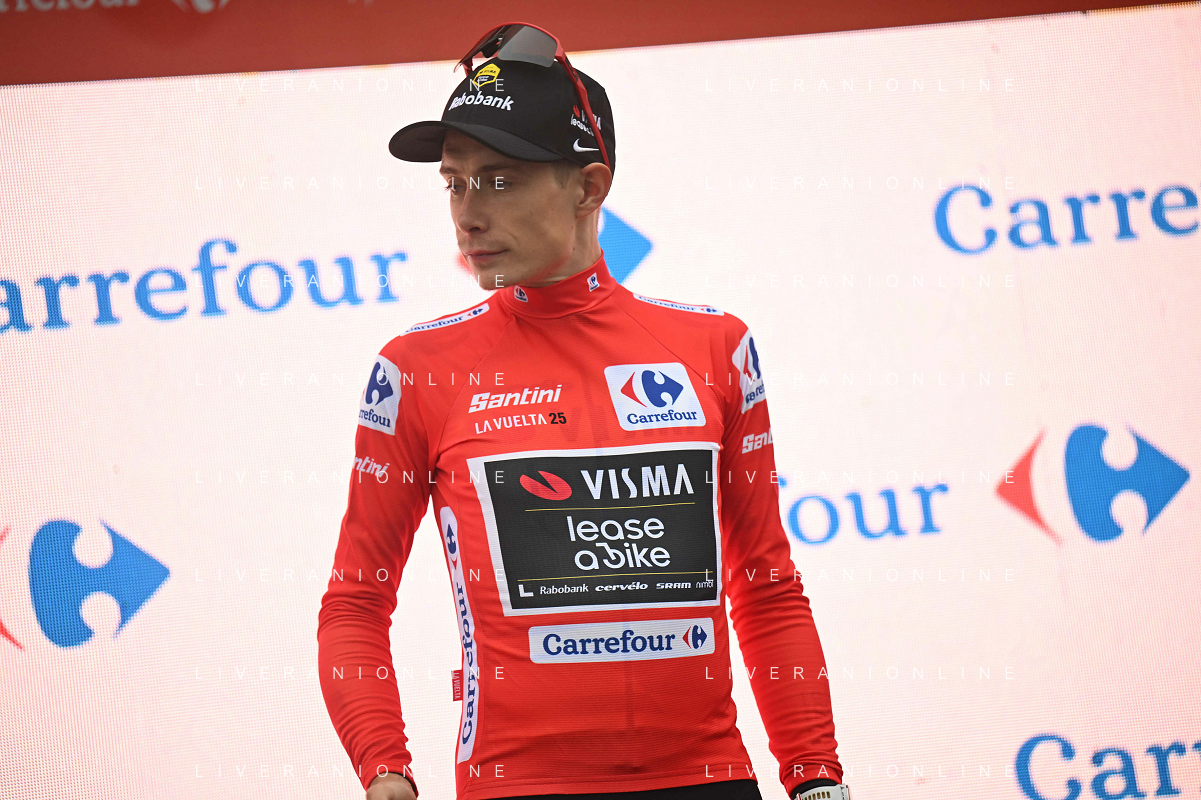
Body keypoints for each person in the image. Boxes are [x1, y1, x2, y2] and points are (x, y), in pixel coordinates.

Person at [317, 22, 851, 800]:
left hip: (707, 778)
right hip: (516, 786)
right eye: (454, 183)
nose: (468, 215)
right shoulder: (418, 369)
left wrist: (814, 774)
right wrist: (384, 767)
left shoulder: (713, 349)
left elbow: (766, 587)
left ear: (589, 188)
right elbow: (356, 602)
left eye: (499, 180)